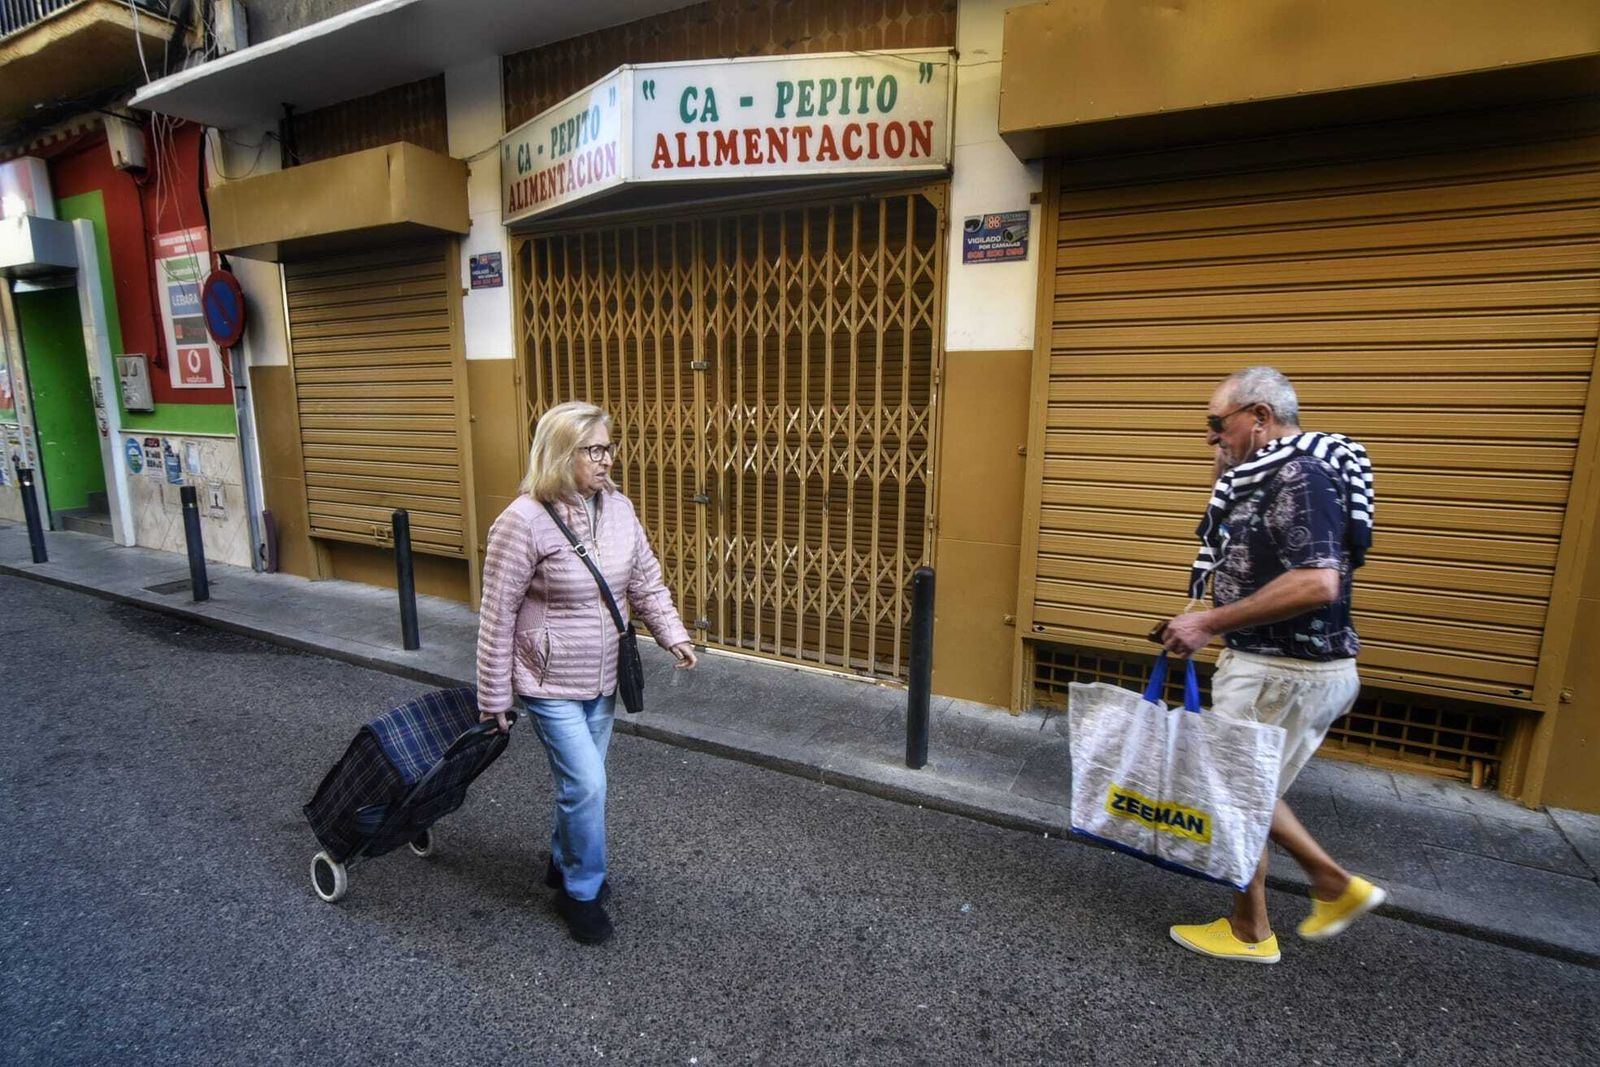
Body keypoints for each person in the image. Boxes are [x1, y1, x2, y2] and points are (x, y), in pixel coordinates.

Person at [1152, 366, 1385, 964]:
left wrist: (1207, 622)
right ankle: (1249, 925)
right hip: (1279, 669)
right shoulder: (1267, 474)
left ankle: (1328, 884)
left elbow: (1315, 583)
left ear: (1260, 416)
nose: (1211, 438)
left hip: (1281, 674)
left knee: (1237, 789)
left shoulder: (1298, 475)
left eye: (1217, 424)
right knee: (1242, 795)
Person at [475, 400, 697, 946]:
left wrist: (673, 633)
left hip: (603, 677)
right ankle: (581, 891)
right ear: (559, 453)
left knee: (581, 788)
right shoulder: (521, 522)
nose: (606, 460)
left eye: (608, 447)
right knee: (589, 784)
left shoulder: (617, 508)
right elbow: (497, 612)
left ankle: (561, 858)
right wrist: (493, 695)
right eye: (593, 450)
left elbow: (644, 579)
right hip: (546, 680)